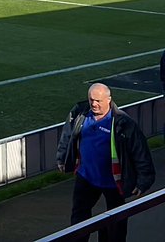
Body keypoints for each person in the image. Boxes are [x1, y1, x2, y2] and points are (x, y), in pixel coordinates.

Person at [57, 83, 154, 242]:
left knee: (116, 222)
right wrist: (62, 157)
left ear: (109, 100)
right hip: (86, 177)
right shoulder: (80, 114)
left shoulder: (123, 123)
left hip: (113, 182)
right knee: (79, 218)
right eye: (91, 100)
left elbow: (140, 151)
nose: (94, 104)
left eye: (98, 101)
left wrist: (144, 181)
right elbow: (68, 136)